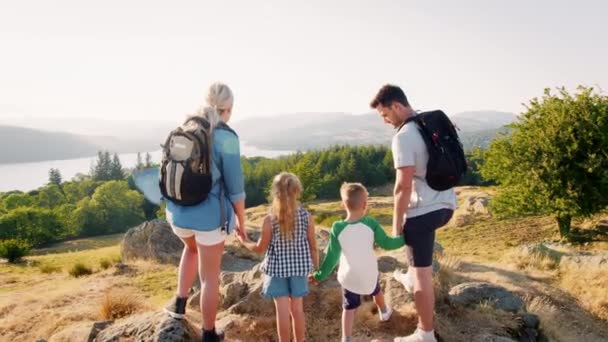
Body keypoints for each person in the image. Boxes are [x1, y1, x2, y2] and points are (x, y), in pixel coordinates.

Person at [370, 84, 456, 342]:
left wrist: (397, 224)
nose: (385, 121)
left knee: (422, 278)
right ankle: (410, 275)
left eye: (385, 115)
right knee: (418, 267)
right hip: (446, 205)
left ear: (396, 106)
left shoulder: (404, 136)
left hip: (423, 213)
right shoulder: (428, 124)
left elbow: (402, 186)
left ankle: (425, 334)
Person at [163, 82, 246, 342]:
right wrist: (241, 223)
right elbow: (236, 189)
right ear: (228, 109)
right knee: (210, 278)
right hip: (208, 219)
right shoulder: (226, 137)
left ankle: (178, 304)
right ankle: (209, 334)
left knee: (191, 249)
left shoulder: (184, 128)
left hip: (177, 214)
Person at [310, 182, 404, 342]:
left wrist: (318, 276)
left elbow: (332, 258)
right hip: (368, 273)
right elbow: (387, 243)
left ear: (342, 205)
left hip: (349, 277)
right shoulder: (371, 223)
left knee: (348, 308)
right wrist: (405, 238)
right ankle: (384, 312)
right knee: (376, 291)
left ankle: (346, 338)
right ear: (365, 205)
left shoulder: (337, 227)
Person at [237, 172, 318, 342]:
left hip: (276, 269)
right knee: (297, 310)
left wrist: (243, 240)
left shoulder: (269, 219)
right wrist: (315, 270)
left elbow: (260, 248)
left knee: (282, 312)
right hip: (299, 269)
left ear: (275, 193)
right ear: (297, 192)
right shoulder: (306, 217)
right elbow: (313, 247)